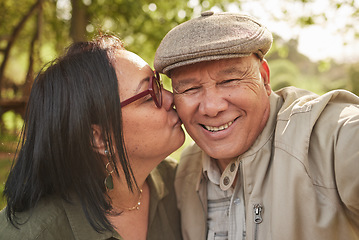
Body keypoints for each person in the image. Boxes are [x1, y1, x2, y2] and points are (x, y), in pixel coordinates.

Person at [154, 11, 359, 240]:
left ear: (264, 78)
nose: (211, 108)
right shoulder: (187, 171)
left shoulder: (328, 137)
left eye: (229, 80)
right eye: (190, 89)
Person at [0, 34, 185, 240]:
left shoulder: (183, 181)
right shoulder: (31, 233)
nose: (171, 98)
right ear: (99, 138)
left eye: (157, 84)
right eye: (149, 95)